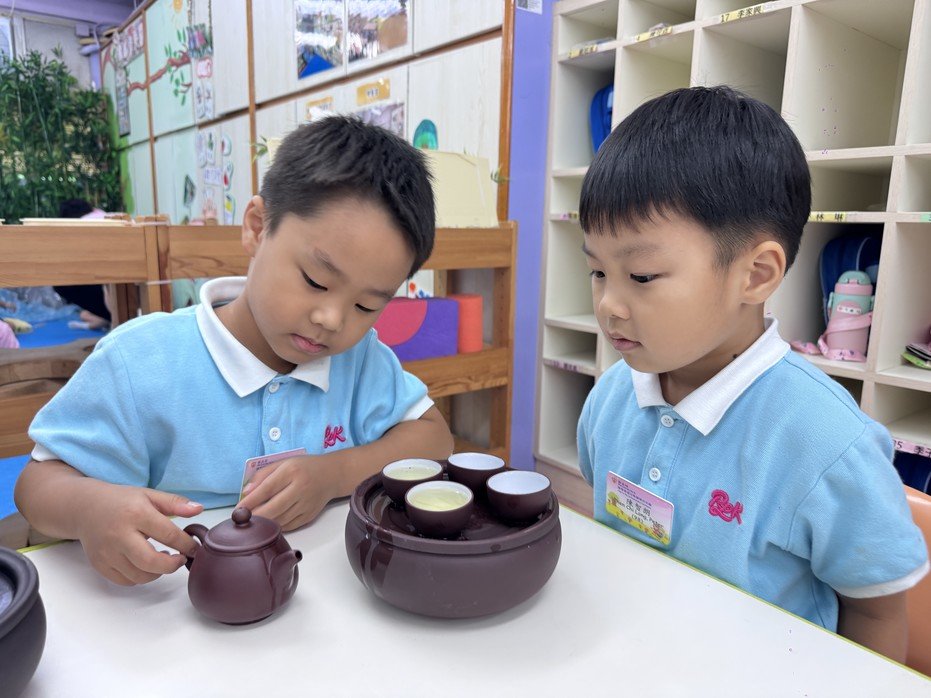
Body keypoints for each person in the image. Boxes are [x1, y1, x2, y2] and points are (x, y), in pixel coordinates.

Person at [15, 116, 453, 586]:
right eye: (315, 281)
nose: (333, 319)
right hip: (167, 603)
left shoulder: (359, 358)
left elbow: (434, 438)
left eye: (366, 306)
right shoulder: (140, 361)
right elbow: (36, 485)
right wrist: (89, 510)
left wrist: (334, 474)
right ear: (257, 228)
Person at [575, 86, 927, 661]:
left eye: (640, 277)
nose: (609, 304)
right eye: (597, 272)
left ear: (756, 275)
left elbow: (876, 610)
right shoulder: (612, 396)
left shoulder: (829, 444)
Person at [55, 198, 112, 329]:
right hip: (131, 275)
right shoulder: (102, 214)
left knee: (61, 284)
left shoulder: (81, 225)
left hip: (112, 279)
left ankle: (113, 318)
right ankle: (111, 318)